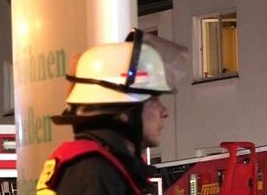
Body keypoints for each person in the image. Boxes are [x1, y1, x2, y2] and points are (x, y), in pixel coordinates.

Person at [36, 28, 188, 195]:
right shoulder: (94, 172)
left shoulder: (103, 166)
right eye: (153, 100)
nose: (164, 112)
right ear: (123, 112)